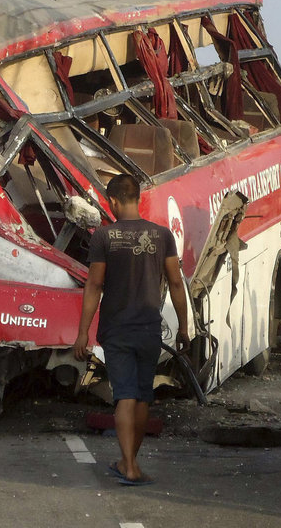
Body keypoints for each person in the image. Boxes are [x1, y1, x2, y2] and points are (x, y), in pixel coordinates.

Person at [72, 173, 188, 487]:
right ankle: (128, 462)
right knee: (142, 398)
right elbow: (176, 283)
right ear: (137, 198)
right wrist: (184, 327)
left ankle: (131, 467)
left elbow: (94, 285)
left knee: (123, 396)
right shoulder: (162, 235)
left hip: (117, 330)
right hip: (150, 329)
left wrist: (83, 332)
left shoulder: (103, 237)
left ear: (112, 201)